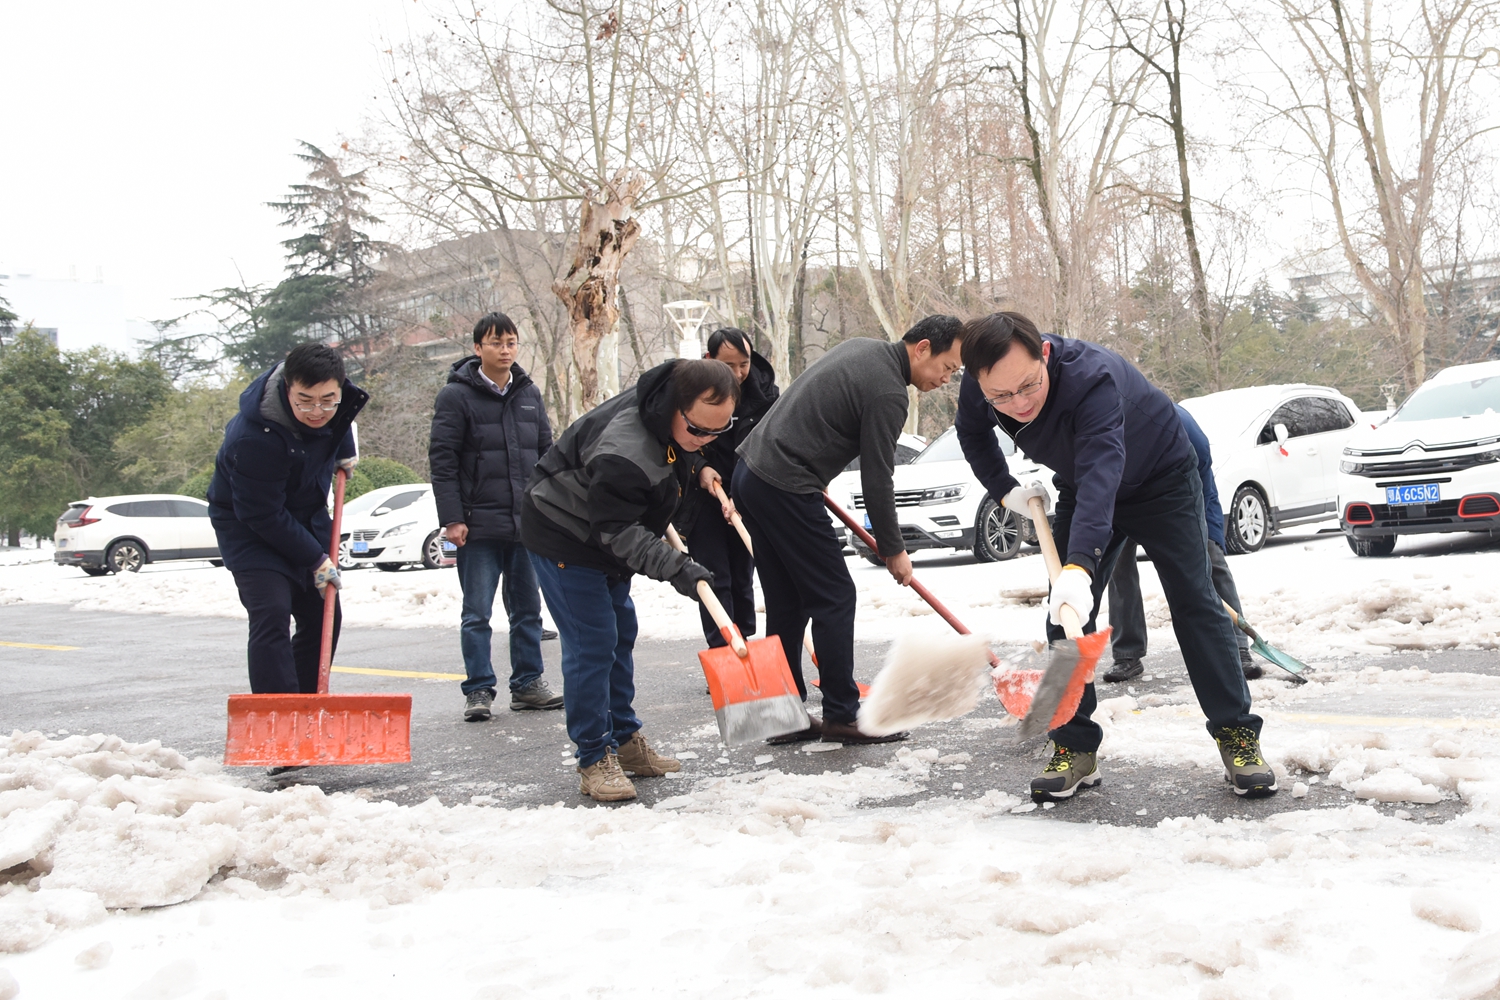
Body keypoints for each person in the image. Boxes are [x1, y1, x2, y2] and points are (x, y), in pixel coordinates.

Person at [954, 312, 1275, 801]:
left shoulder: (1093, 378)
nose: (1017, 404)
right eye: (1001, 396)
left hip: (1162, 479)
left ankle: (1238, 737)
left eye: (1027, 387)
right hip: (1083, 482)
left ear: (1043, 354)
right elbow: (972, 435)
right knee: (1064, 616)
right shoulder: (982, 384)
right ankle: (1073, 746)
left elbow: (1106, 469)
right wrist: (1004, 491)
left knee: (1196, 604)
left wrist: (1080, 564)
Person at [733, 317, 966, 746]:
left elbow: (815, 410)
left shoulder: (863, 346)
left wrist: (814, 464)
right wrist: (893, 549)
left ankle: (780, 716)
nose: (948, 379)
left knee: (787, 602)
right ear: (922, 348)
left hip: (750, 474)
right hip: (784, 481)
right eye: (948, 367)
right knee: (835, 596)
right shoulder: (889, 392)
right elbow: (878, 476)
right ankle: (842, 713)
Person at [522, 358, 733, 803]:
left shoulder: (673, 415)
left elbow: (678, 457)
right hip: (565, 534)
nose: (705, 441)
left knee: (621, 633)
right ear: (674, 408)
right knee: (593, 641)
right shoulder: (624, 450)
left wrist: (697, 463)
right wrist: (677, 567)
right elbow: (617, 531)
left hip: (603, 534)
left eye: (718, 432)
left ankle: (624, 739)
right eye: (699, 431)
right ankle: (593, 755)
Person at [208, 343, 367, 695]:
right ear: (287, 388)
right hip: (249, 526)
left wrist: (343, 450)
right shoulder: (252, 438)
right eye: (305, 401)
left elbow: (339, 420)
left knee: (324, 616)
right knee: (272, 614)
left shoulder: (333, 396)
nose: (317, 410)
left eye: (328, 400)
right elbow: (260, 513)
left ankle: (305, 707)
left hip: (305, 516)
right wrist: (314, 558)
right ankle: (276, 715)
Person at [429, 312, 561, 722]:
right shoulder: (455, 396)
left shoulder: (528, 393)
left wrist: (549, 508)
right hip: (474, 526)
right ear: (477, 348)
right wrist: (452, 519)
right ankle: (479, 690)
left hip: (526, 525)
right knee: (477, 612)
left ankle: (527, 685)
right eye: (495, 343)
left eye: (511, 342)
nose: (505, 350)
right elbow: (443, 461)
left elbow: (546, 454)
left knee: (527, 611)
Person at [1103, 404, 1260, 683]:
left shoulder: (1189, 437)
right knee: (1118, 566)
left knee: (1211, 560)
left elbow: (1205, 490)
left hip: (1171, 496)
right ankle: (1127, 654)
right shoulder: (1112, 427)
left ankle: (1237, 648)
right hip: (1121, 495)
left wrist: (1211, 537)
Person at [673, 327, 780, 647]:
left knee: (742, 574)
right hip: (702, 497)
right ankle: (723, 645)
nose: (738, 373)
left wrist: (744, 491)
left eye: (743, 364)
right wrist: (700, 468)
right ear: (709, 359)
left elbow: (770, 447)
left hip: (746, 495)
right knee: (712, 575)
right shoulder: (689, 391)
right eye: (728, 365)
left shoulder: (765, 395)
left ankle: (744, 639)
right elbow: (679, 444)